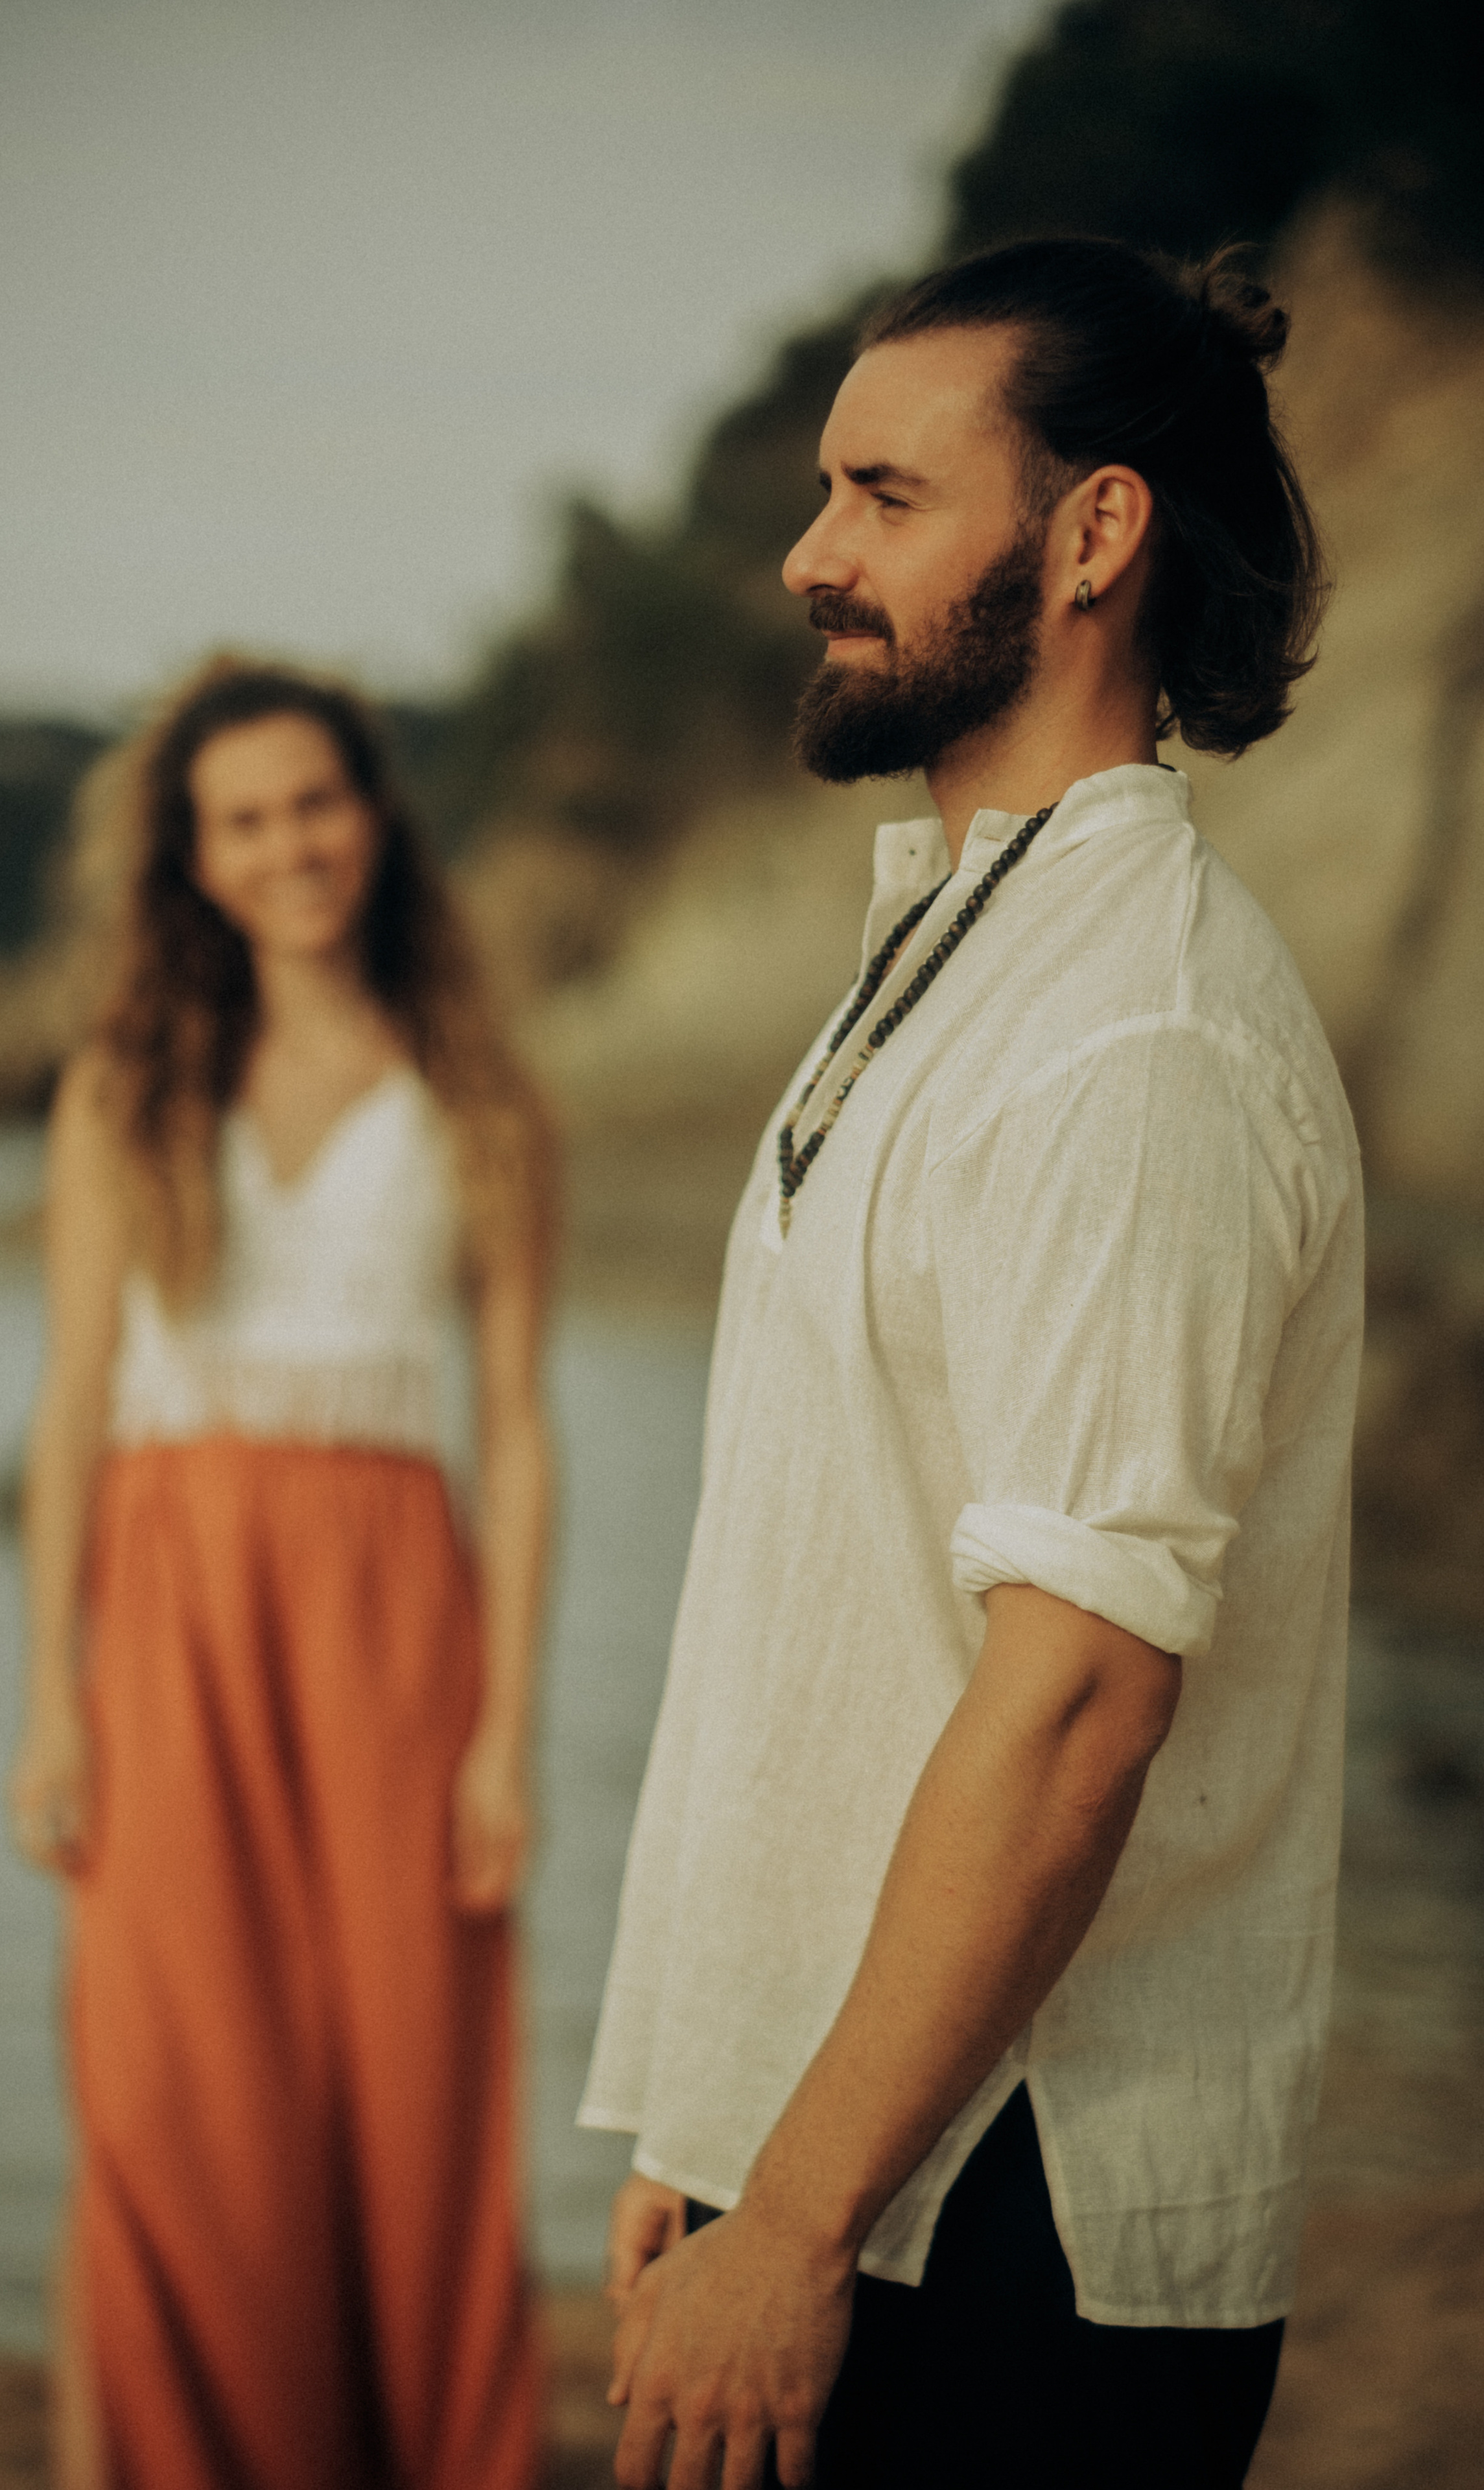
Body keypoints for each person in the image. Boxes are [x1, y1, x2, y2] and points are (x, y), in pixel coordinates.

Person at [581, 237, 1359, 2489]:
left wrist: (795, 2212)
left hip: (1019, 2216)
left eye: (885, 497)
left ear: (1095, 531)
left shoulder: (1142, 1036)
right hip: (855, 2137)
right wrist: (719, 2104)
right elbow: (822, 1607)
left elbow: (1080, 1694)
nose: (810, 557)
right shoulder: (955, 948)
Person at [9, 658, 554, 2490]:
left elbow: (522, 1433)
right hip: (170, 1610)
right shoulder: (127, 1083)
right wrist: (48, 1705)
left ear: (373, 816)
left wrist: (509, 1739)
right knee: (179, 2083)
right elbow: (73, 1402)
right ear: (194, 858)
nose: (289, 845)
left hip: (398, 1609)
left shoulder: (473, 1089)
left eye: (314, 801)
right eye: (244, 819)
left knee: (411, 2073)